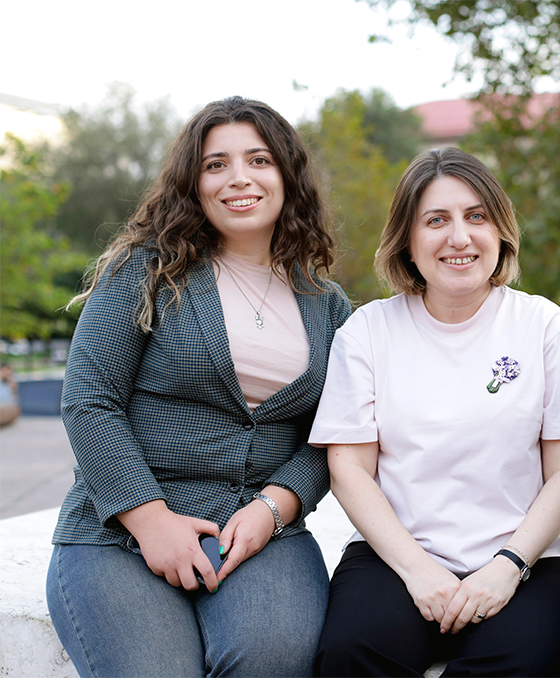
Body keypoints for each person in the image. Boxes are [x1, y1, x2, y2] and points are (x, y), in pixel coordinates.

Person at [45, 96, 351, 677]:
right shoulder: (147, 268)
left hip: (260, 532)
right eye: (216, 164)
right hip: (122, 532)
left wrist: (273, 507)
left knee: (271, 660)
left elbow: (330, 433)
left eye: (259, 160)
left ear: (286, 176)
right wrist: (150, 520)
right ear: (194, 181)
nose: (239, 178)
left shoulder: (326, 303)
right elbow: (89, 398)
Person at [309, 147, 560, 677]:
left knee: (518, 663)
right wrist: (418, 570)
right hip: (397, 557)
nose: (459, 237)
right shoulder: (367, 331)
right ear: (407, 239)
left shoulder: (544, 326)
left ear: (502, 232)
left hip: (535, 559)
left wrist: (507, 568)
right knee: (351, 654)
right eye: (436, 220)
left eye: (476, 217)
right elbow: (350, 469)